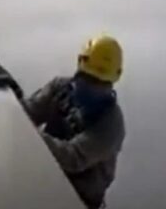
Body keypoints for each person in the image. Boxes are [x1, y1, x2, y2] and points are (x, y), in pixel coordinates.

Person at [22, 34, 126, 209]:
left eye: (100, 82)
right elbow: (28, 111)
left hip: (77, 199)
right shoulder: (59, 89)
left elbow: (73, 158)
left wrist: (29, 134)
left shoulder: (111, 124)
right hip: (44, 177)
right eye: (88, 78)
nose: (92, 87)